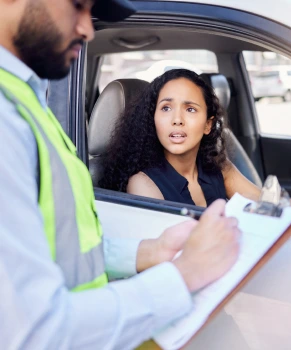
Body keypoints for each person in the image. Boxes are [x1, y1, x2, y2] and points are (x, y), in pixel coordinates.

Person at [0, 1, 241, 349]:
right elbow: (32, 331)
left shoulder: (24, 99)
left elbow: (65, 250)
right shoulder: (7, 118)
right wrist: (185, 275)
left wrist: (150, 251)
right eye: (78, 6)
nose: (88, 29)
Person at [100, 68, 291, 211]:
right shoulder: (143, 184)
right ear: (152, 119)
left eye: (190, 109)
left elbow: (279, 211)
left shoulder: (218, 167)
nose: (176, 119)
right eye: (165, 108)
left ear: (208, 124)